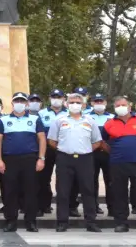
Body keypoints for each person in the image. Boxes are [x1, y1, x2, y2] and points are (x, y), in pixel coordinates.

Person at [47, 92, 102, 232]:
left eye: (78, 102)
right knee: (63, 191)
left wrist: (85, 150)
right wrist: (64, 149)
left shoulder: (90, 121)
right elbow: (51, 140)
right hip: (65, 158)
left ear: (83, 105)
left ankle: (91, 222)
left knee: (88, 190)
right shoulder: (59, 120)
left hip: (85, 159)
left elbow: (97, 141)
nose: (75, 105)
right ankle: (62, 222)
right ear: (66, 104)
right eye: (72, 102)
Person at [102, 96, 136, 233]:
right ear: (114, 108)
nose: (121, 107)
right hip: (117, 163)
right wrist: (113, 152)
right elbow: (102, 142)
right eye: (118, 105)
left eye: (124, 105)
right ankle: (121, 223)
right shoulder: (109, 123)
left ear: (129, 107)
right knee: (119, 193)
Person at [0, 92, 45, 232]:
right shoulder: (3, 120)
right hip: (10, 159)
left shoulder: (35, 119)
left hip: (30, 159)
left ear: (27, 104)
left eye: (22, 101)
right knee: (10, 191)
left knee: (31, 191)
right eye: (16, 101)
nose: (19, 103)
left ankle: (31, 221)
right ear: (12, 104)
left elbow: (41, 139)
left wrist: (41, 158)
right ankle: (11, 221)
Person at [37, 89, 67, 215]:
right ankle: (44, 205)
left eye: (59, 97)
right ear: (49, 98)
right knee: (43, 178)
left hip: (63, 149)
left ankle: (67, 207)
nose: (56, 99)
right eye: (54, 97)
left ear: (63, 99)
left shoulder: (69, 113)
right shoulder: (41, 113)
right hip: (47, 149)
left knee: (64, 179)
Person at [87, 94, 112, 215]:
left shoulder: (112, 117)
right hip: (92, 152)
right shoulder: (86, 117)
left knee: (111, 181)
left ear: (106, 103)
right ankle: (94, 207)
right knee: (92, 181)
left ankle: (112, 207)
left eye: (101, 101)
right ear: (91, 103)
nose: (98, 104)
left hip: (108, 153)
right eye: (96, 102)